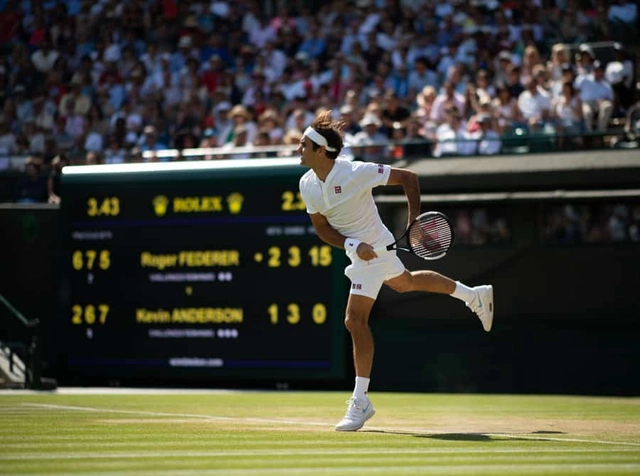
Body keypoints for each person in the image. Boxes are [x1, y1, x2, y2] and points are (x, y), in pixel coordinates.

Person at [297, 110, 494, 432]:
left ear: (321, 150)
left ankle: (361, 402)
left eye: (304, 145)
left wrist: (413, 220)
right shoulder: (307, 183)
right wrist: (350, 245)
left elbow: (408, 177)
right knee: (405, 283)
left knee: (354, 320)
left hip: (376, 249)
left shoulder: (354, 172)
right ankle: (473, 295)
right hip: (362, 253)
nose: (298, 149)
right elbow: (322, 229)